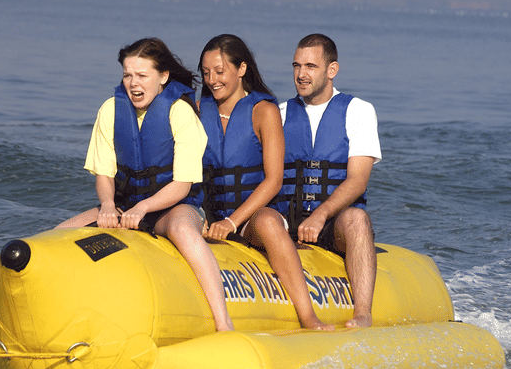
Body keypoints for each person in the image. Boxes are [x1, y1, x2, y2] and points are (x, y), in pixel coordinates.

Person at [56, 38, 234, 332]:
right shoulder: (111, 110)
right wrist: (109, 206)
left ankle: (223, 323)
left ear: (163, 77)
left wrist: (144, 208)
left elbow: (182, 185)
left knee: (182, 230)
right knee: (57, 237)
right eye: (127, 75)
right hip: (125, 207)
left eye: (141, 75)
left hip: (174, 208)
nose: (133, 83)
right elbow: (104, 174)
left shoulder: (180, 112)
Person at [198, 34, 333, 331]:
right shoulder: (198, 111)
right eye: (206, 73)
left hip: (251, 218)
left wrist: (232, 222)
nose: (212, 80)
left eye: (219, 71)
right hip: (210, 215)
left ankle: (308, 316)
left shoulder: (263, 112)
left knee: (270, 223)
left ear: (241, 69)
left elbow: (273, 181)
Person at [269, 33, 381, 328]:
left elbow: (358, 181)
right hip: (287, 221)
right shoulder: (279, 113)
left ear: (332, 70)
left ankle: (363, 313)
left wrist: (320, 215)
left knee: (358, 219)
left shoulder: (358, 111)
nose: (301, 74)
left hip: (333, 224)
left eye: (310, 66)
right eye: (296, 66)